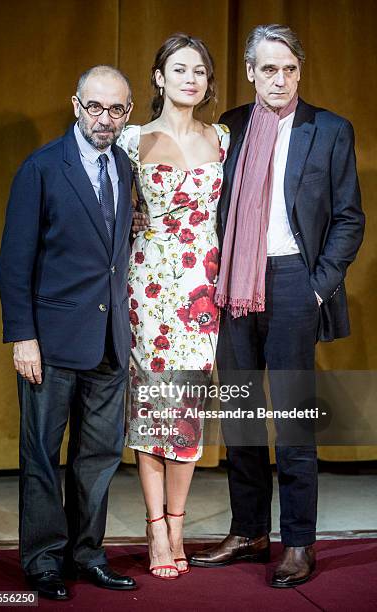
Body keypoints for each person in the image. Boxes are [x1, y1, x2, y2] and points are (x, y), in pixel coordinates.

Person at [189, 24, 365, 587]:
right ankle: (248, 531)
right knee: (241, 412)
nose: (281, 79)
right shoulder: (231, 128)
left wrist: (317, 286)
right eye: (269, 69)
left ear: (299, 70)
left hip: (294, 282)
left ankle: (298, 542)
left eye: (289, 68)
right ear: (250, 72)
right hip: (235, 281)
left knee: (292, 419)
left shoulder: (330, 129)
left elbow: (348, 218)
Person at [0, 65, 137, 600]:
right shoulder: (41, 169)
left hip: (108, 341)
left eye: (117, 109)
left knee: (98, 457)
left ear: (127, 113)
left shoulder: (124, 166)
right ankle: (42, 561)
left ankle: (87, 555)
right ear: (75, 105)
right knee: (41, 455)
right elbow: (14, 261)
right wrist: (22, 337)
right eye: (95, 107)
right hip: (50, 342)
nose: (105, 118)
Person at [117, 33, 230, 579]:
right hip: (148, 290)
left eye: (200, 71)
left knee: (185, 412)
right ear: (158, 77)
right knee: (153, 408)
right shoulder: (131, 140)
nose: (191, 78)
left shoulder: (223, 138)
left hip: (201, 292)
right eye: (179, 69)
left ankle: (178, 523)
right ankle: (154, 526)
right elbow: (104, 206)